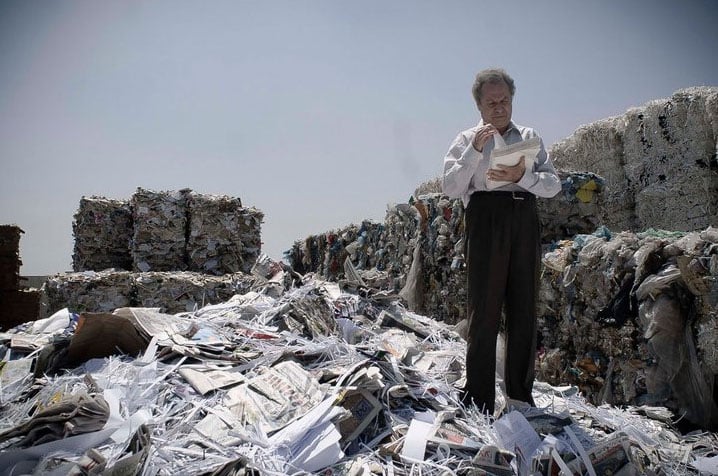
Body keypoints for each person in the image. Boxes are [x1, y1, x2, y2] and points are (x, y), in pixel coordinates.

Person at [442, 68, 561, 415]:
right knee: (485, 310)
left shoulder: (528, 135)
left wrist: (522, 175)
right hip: (485, 219)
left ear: (512, 100)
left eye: (504, 101)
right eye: (491, 102)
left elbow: (553, 185)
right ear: (479, 106)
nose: (499, 108)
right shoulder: (465, 139)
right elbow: (450, 187)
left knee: (524, 308)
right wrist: (474, 154)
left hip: (523, 217)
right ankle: (478, 398)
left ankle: (521, 397)